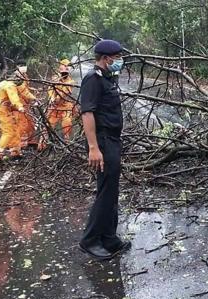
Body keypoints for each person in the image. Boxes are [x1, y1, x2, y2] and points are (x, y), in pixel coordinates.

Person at [78, 39, 130, 260]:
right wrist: (93, 148)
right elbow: (87, 114)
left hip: (112, 140)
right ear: (107, 58)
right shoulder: (93, 79)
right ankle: (89, 241)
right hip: (102, 141)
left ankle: (109, 238)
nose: (120, 61)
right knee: (105, 192)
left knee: (112, 191)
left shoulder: (107, 78)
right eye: (117, 57)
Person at [38, 59, 76, 150]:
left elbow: (64, 93)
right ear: (60, 69)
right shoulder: (55, 78)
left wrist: (56, 99)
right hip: (54, 107)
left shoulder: (70, 82)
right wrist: (51, 97)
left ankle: (67, 145)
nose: (65, 70)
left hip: (66, 106)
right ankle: (41, 145)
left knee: (67, 124)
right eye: (64, 67)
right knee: (48, 125)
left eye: (67, 68)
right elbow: (50, 89)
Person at [0, 73, 26, 160]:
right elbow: (14, 98)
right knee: (8, 132)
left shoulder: (2, 83)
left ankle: (15, 151)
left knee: (13, 128)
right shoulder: (10, 85)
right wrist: (20, 106)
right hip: (1, 110)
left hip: (0, 109)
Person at [15, 64, 37, 147]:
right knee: (22, 123)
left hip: (26, 103)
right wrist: (34, 98)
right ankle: (21, 144)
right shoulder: (16, 78)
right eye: (21, 65)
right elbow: (23, 91)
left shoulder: (25, 75)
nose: (24, 67)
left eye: (24, 65)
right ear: (17, 66)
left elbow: (26, 88)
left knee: (30, 122)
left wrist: (33, 90)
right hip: (19, 104)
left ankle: (30, 140)